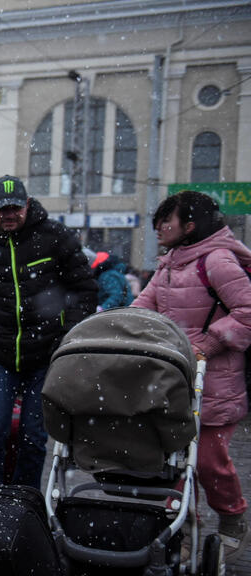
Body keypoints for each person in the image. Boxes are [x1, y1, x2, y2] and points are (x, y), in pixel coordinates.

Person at [0, 175, 96, 488]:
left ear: (28, 205)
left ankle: (24, 498)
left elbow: (84, 289)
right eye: (2, 210)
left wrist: (66, 335)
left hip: (45, 356)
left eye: (16, 208)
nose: (9, 215)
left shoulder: (56, 238)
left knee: (34, 436)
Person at [132, 190, 250, 559]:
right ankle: (186, 528)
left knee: (208, 461)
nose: (159, 227)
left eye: (167, 220)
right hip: (172, 381)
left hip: (214, 382)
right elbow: (141, 308)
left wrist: (207, 347)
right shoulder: (169, 265)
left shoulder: (216, 260)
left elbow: (247, 310)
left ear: (191, 225)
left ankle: (232, 516)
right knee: (172, 461)